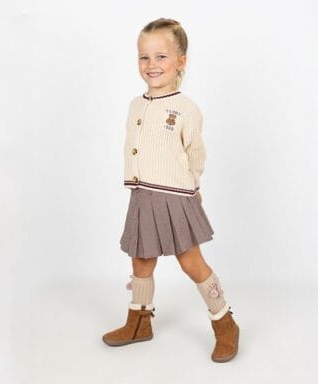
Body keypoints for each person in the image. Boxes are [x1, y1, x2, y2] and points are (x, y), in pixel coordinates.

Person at [101, 18, 239, 363]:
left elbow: (195, 153)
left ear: (181, 61)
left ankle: (224, 323)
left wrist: (194, 187)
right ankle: (139, 322)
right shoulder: (136, 104)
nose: (151, 66)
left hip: (176, 195)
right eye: (144, 57)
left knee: (190, 261)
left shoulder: (186, 109)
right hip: (143, 194)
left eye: (161, 57)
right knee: (141, 258)